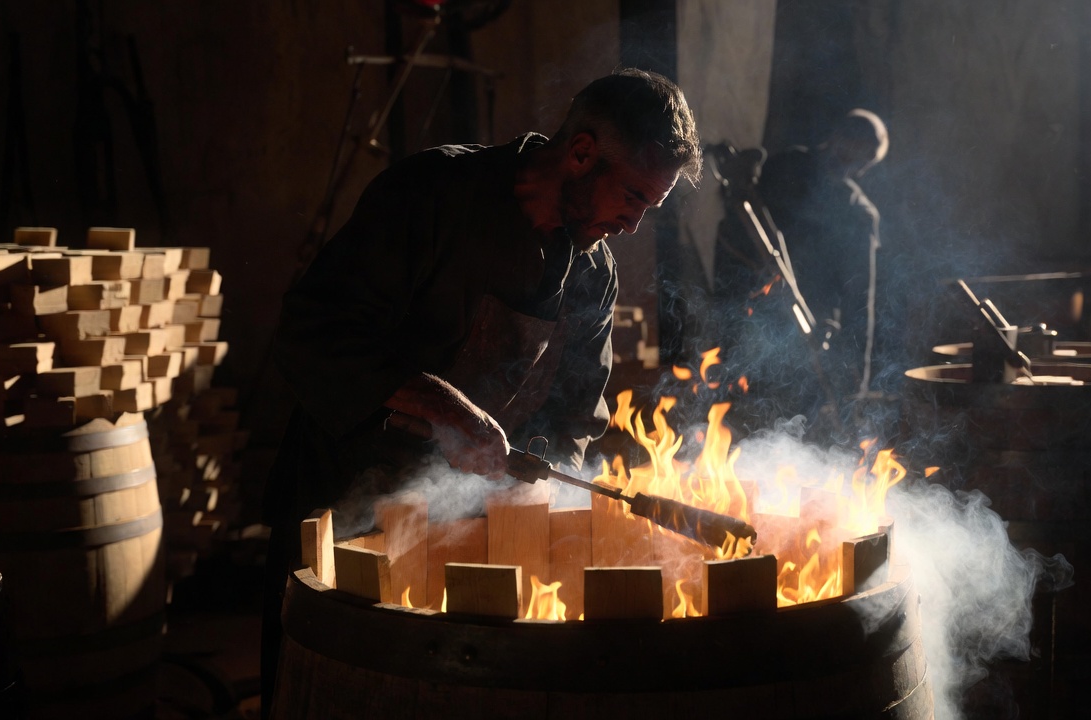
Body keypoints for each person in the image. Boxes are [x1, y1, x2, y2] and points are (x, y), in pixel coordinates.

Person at [259, 68, 701, 713]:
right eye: (632, 197)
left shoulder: (591, 277)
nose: (633, 225)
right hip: (340, 510)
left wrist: (544, 500)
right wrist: (441, 405)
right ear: (581, 153)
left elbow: (575, 414)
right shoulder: (435, 194)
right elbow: (310, 332)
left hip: (469, 535)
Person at [726, 109, 887, 429]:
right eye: (853, 149)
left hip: (811, 337)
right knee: (746, 415)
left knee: (796, 423)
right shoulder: (784, 168)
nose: (855, 165)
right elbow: (734, 231)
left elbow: (860, 297)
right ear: (836, 136)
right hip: (757, 318)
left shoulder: (858, 213)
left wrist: (859, 377)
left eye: (864, 160)